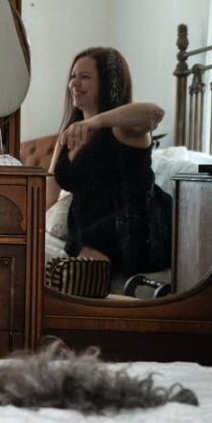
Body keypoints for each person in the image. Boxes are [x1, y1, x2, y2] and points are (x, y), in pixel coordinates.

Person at [46, 46, 171, 279]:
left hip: (134, 224)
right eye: (73, 76)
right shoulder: (67, 137)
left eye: (85, 76)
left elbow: (156, 113)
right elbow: (47, 195)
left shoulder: (123, 128)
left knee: (90, 254)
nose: (74, 83)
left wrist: (96, 122)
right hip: (86, 227)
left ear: (107, 83)